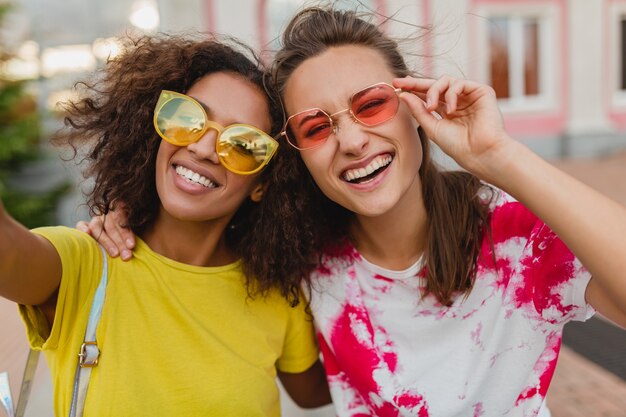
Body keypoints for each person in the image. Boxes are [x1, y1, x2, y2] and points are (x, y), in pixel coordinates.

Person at [84, 6, 626, 417]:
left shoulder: (510, 236)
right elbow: (213, 215)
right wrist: (130, 211)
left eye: (371, 105)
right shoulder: (302, 256)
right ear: (298, 156)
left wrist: (499, 158)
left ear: (415, 109)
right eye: (316, 128)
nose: (350, 140)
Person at [0, 33, 330, 416]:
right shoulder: (87, 262)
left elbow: (326, 390)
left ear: (263, 184)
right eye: (187, 118)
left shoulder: (274, 292)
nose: (203, 149)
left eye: (243, 144)